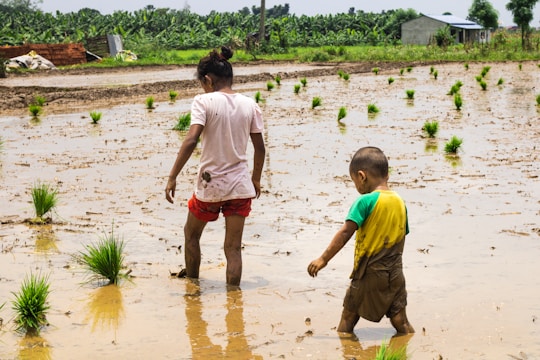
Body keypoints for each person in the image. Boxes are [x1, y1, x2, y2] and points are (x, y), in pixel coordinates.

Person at [165, 46, 266, 287]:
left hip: (210, 185)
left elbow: (191, 140)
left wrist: (172, 176)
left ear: (208, 80)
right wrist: (256, 179)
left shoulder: (203, 101)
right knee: (233, 248)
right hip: (240, 186)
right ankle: (234, 300)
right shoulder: (250, 104)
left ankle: (193, 287)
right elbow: (260, 148)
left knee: (191, 235)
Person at [307, 146, 414, 335]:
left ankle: (347, 353)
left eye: (354, 181)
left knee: (348, 319)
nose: (356, 187)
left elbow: (345, 233)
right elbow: (401, 236)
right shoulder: (399, 201)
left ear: (362, 176)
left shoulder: (365, 202)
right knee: (400, 320)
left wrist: (323, 259)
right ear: (386, 175)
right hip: (395, 273)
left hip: (369, 272)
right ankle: (411, 347)